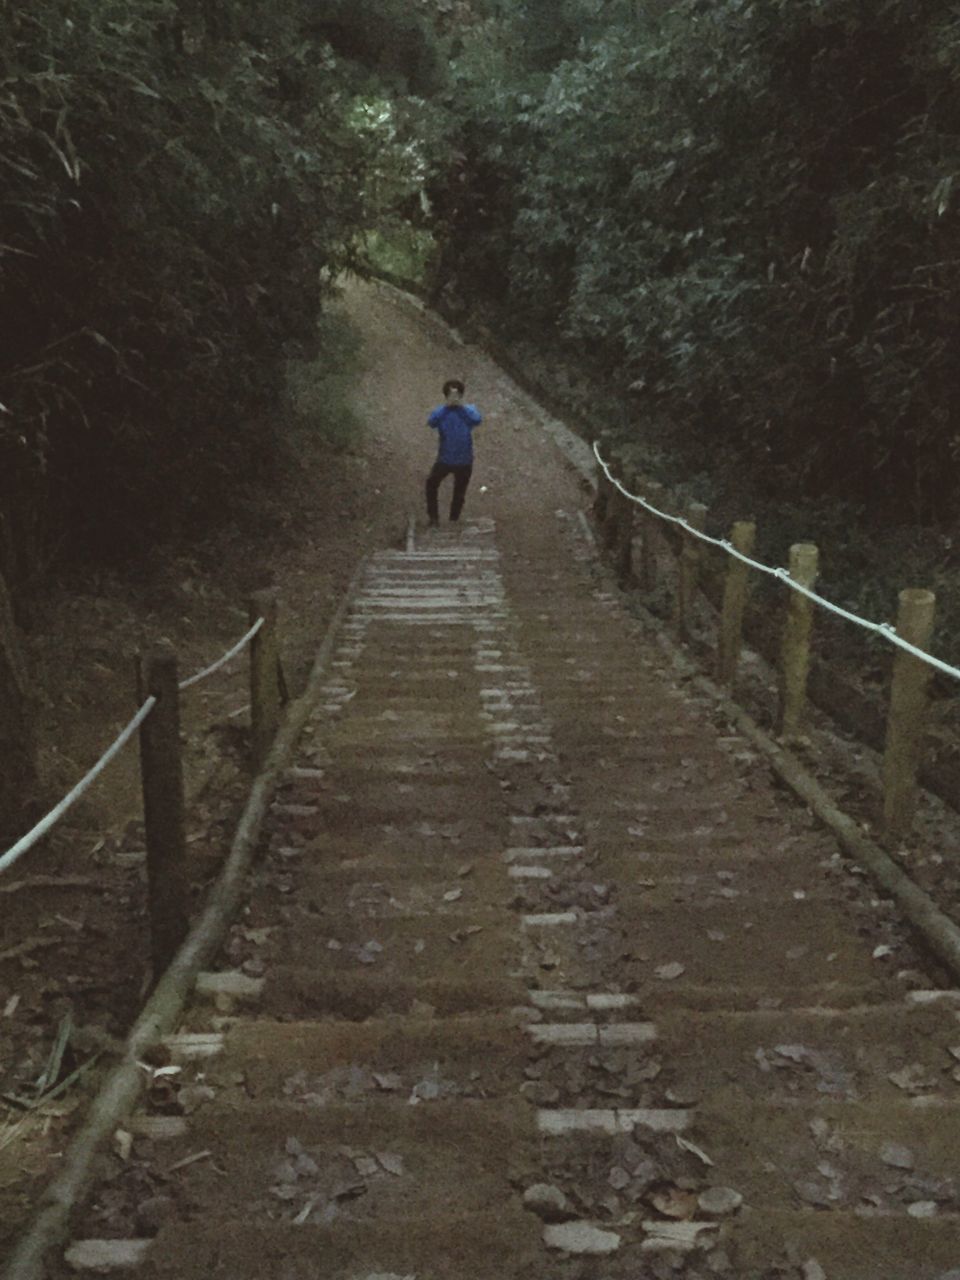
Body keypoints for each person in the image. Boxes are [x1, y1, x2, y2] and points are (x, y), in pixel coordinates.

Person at [425, 380, 482, 527]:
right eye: (451, 395)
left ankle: (454, 520)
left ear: (462, 395)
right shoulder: (441, 412)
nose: (454, 398)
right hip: (445, 458)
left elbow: (477, 419)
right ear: (446, 396)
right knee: (431, 484)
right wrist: (447, 407)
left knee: (459, 492)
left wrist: (460, 407)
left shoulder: (469, 410)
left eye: (457, 395)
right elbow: (431, 422)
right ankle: (433, 518)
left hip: (464, 460)